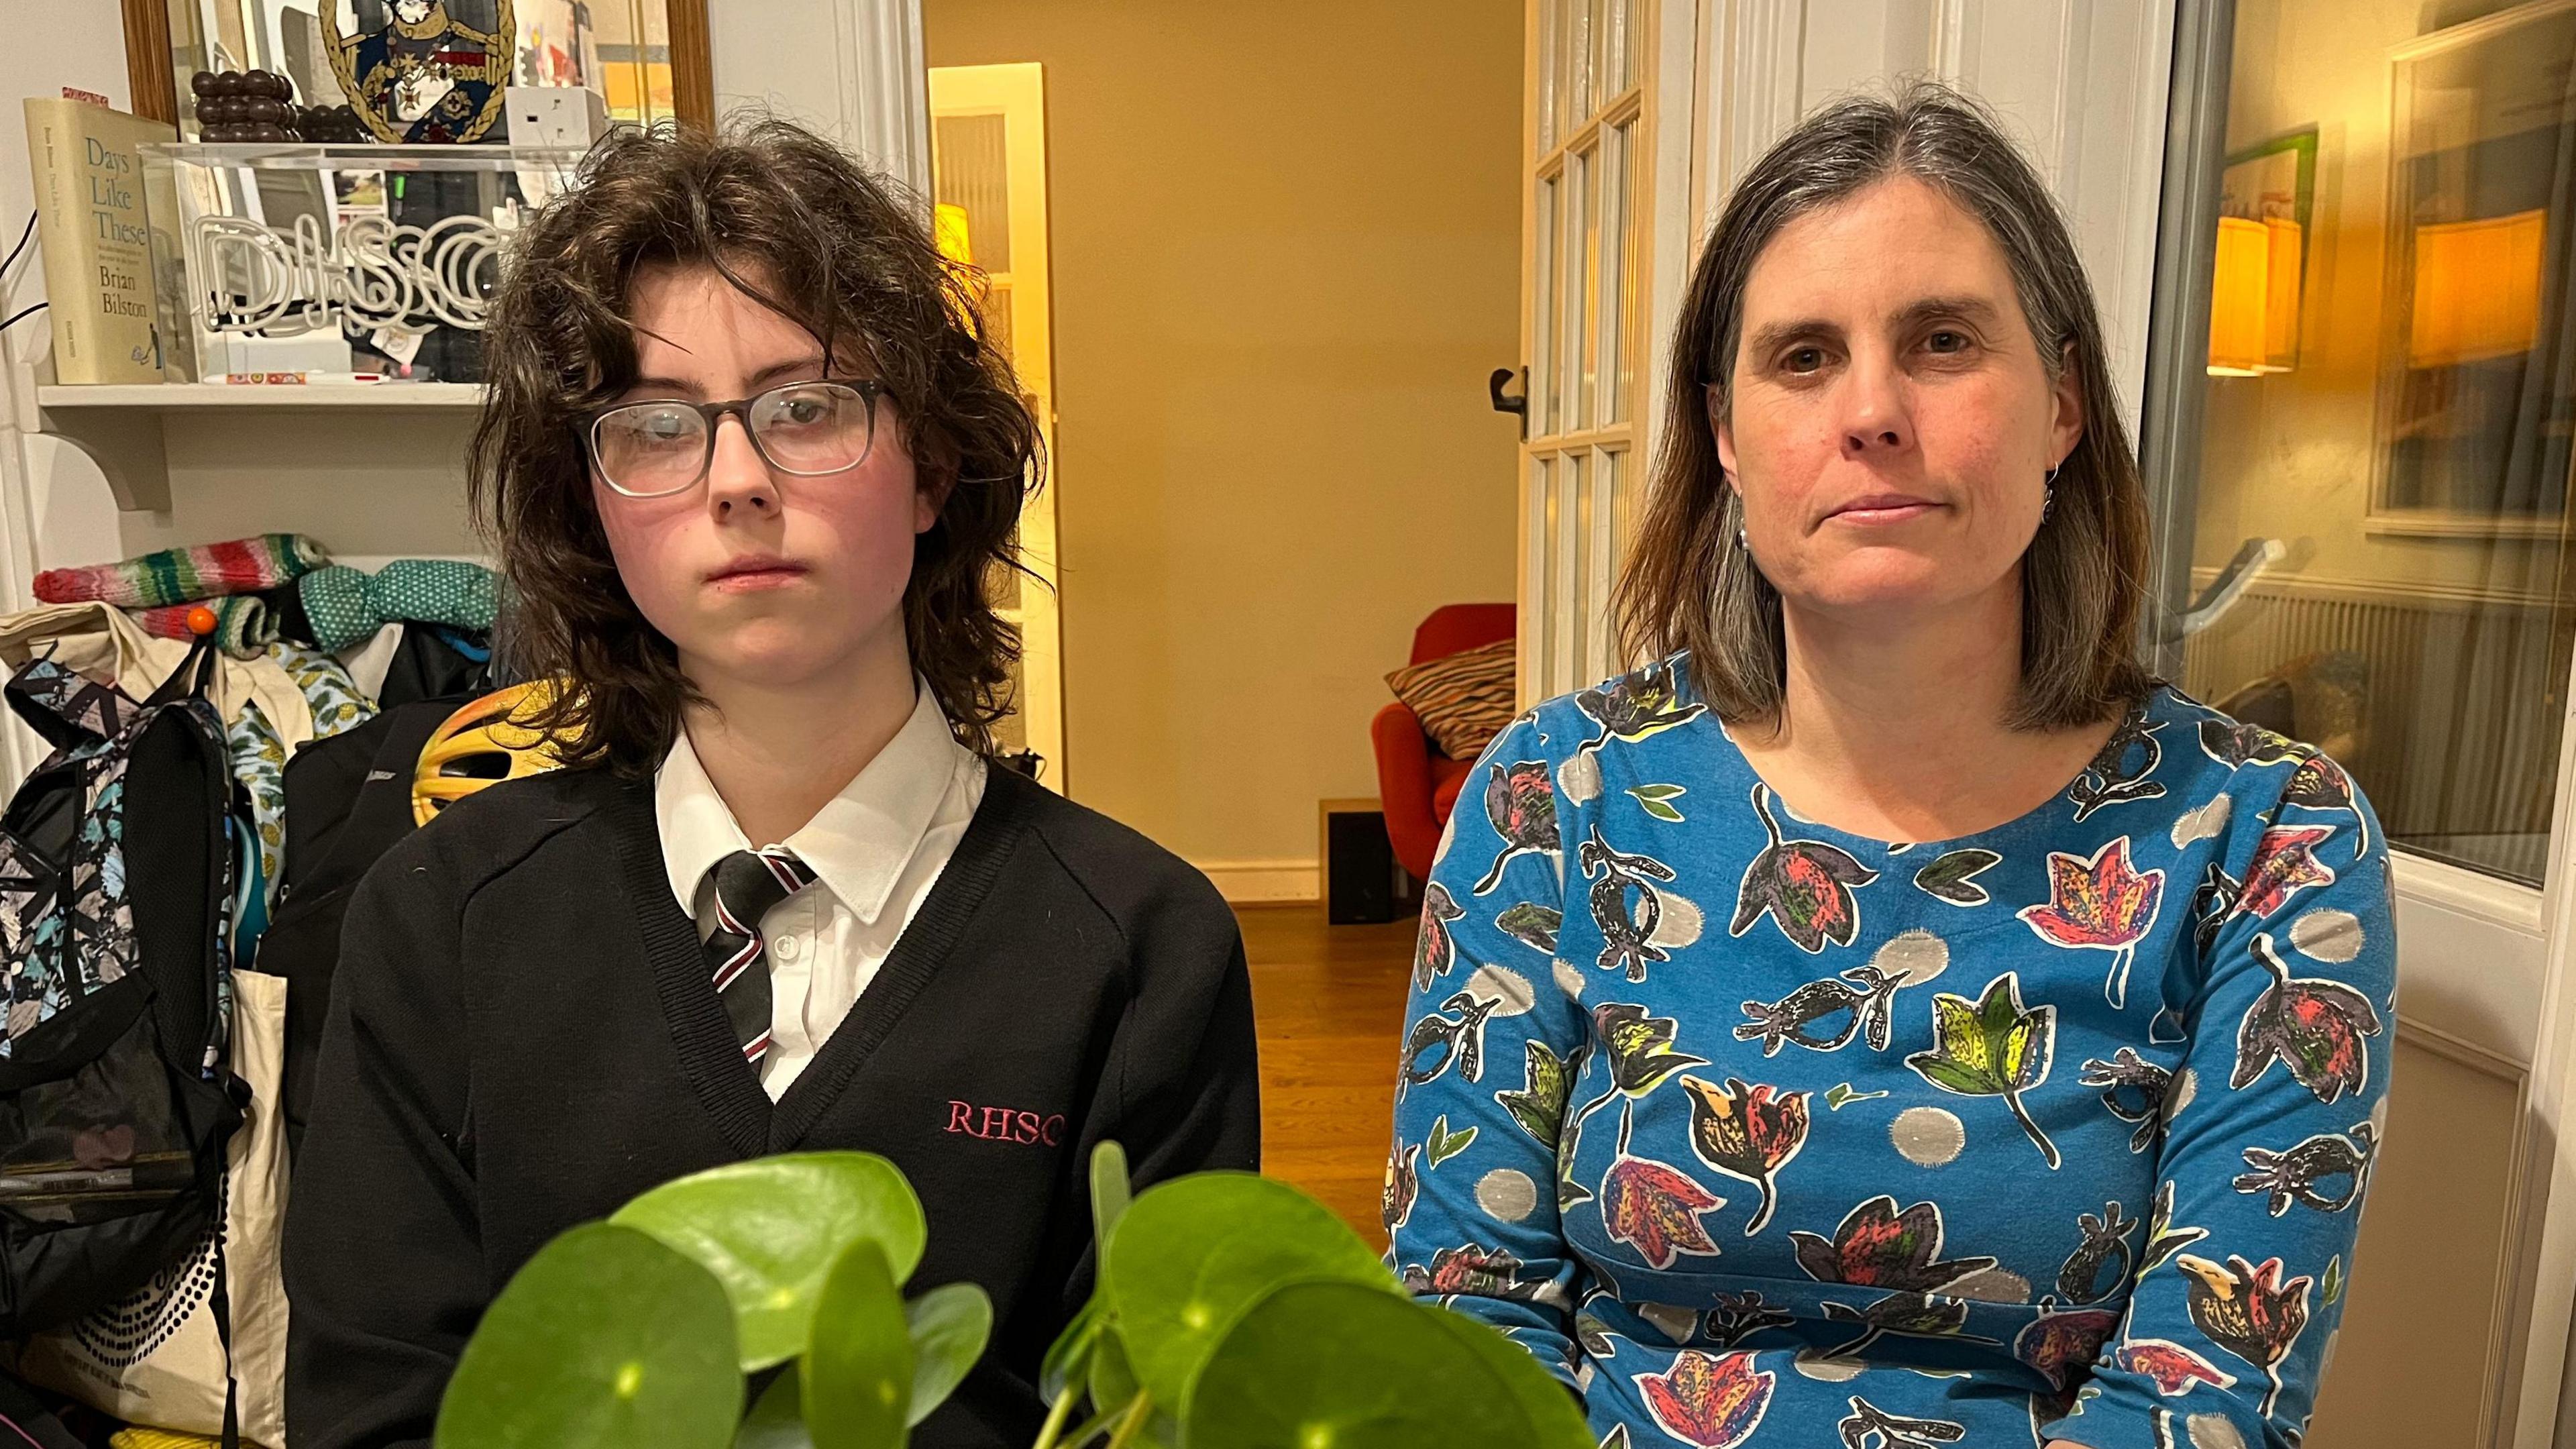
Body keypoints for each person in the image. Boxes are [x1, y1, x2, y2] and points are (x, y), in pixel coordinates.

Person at [1388, 82, 2392, 1449]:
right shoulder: (1553, 798)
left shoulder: (2269, 840)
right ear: (1729, 440)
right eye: (1802, 356)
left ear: (2062, 407)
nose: (1872, 410)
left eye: (1941, 341)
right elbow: (1464, 1316)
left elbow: (2202, 1404)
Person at [283, 119, 1260, 1448]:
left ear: (931, 469)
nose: (737, 480)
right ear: (594, 505)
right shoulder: (440, 923)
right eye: (657, 427)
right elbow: (377, 1408)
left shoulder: (1143, 950)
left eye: (806, 408)